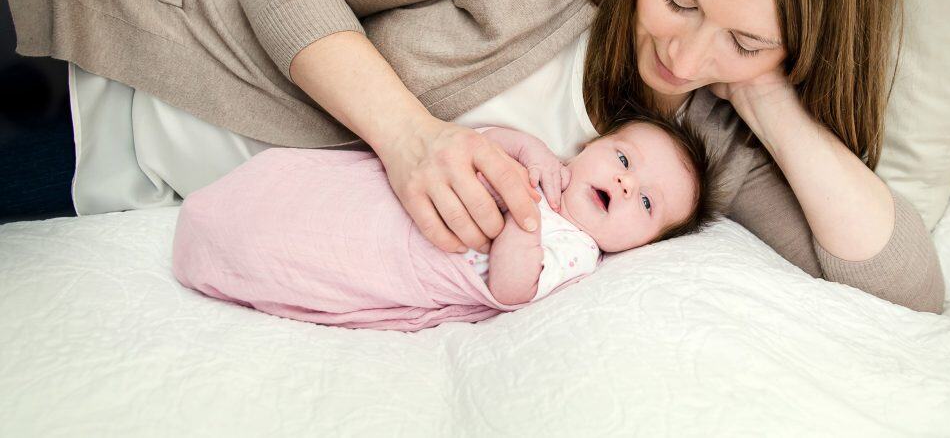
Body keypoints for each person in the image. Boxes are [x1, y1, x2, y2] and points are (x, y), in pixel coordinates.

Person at [0, 0, 945, 313]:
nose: (683, 52)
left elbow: (903, 282)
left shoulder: (711, 127)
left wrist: (769, 93)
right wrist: (412, 139)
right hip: (111, 2)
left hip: (111, 164)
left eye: (742, 37)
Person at [172, 108, 726, 330]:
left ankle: (238, 248)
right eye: (624, 159)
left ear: (643, 244)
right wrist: (527, 152)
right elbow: (478, 141)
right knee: (306, 193)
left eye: (647, 204)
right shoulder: (544, 163)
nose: (627, 184)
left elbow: (511, 287)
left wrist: (522, 216)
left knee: (307, 252)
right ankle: (237, 209)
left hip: (409, 251)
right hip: (393, 196)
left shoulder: (576, 250)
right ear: (590, 146)